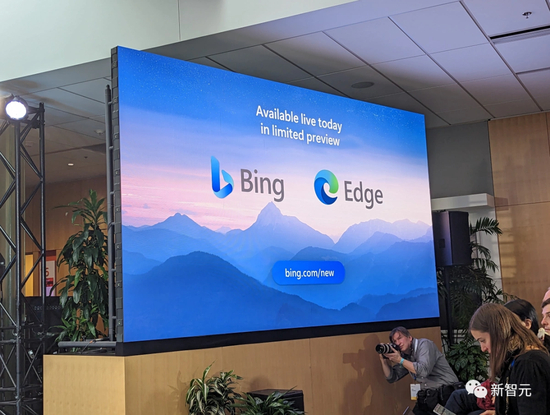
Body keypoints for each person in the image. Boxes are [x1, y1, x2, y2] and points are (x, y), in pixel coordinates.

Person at [446, 298, 550, 415]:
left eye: (483, 340)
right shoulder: (517, 357)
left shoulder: (529, 364)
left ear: (499, 332)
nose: (483, 348)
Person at [378, 326, 459, 415]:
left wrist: (400, 360)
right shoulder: (406, 356)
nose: (398, 343)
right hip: (429, 397)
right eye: (394, 341)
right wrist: (383, 360)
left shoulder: (425, 345)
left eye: (399, 338)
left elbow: (424, 371)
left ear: (409, 338)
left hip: (446, 393)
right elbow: (392, 377)